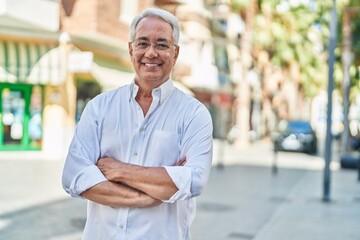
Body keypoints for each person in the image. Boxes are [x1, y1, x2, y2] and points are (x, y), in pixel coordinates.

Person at [62, 7, 213, 240]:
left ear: (176, 53)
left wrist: (117, 170)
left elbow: (193, 181)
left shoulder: (194, 114)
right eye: (142, 43)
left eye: (162, 44)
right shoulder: (99, 107)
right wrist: (151, 194)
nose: (151, 53)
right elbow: (74, 176)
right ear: (131, 48)